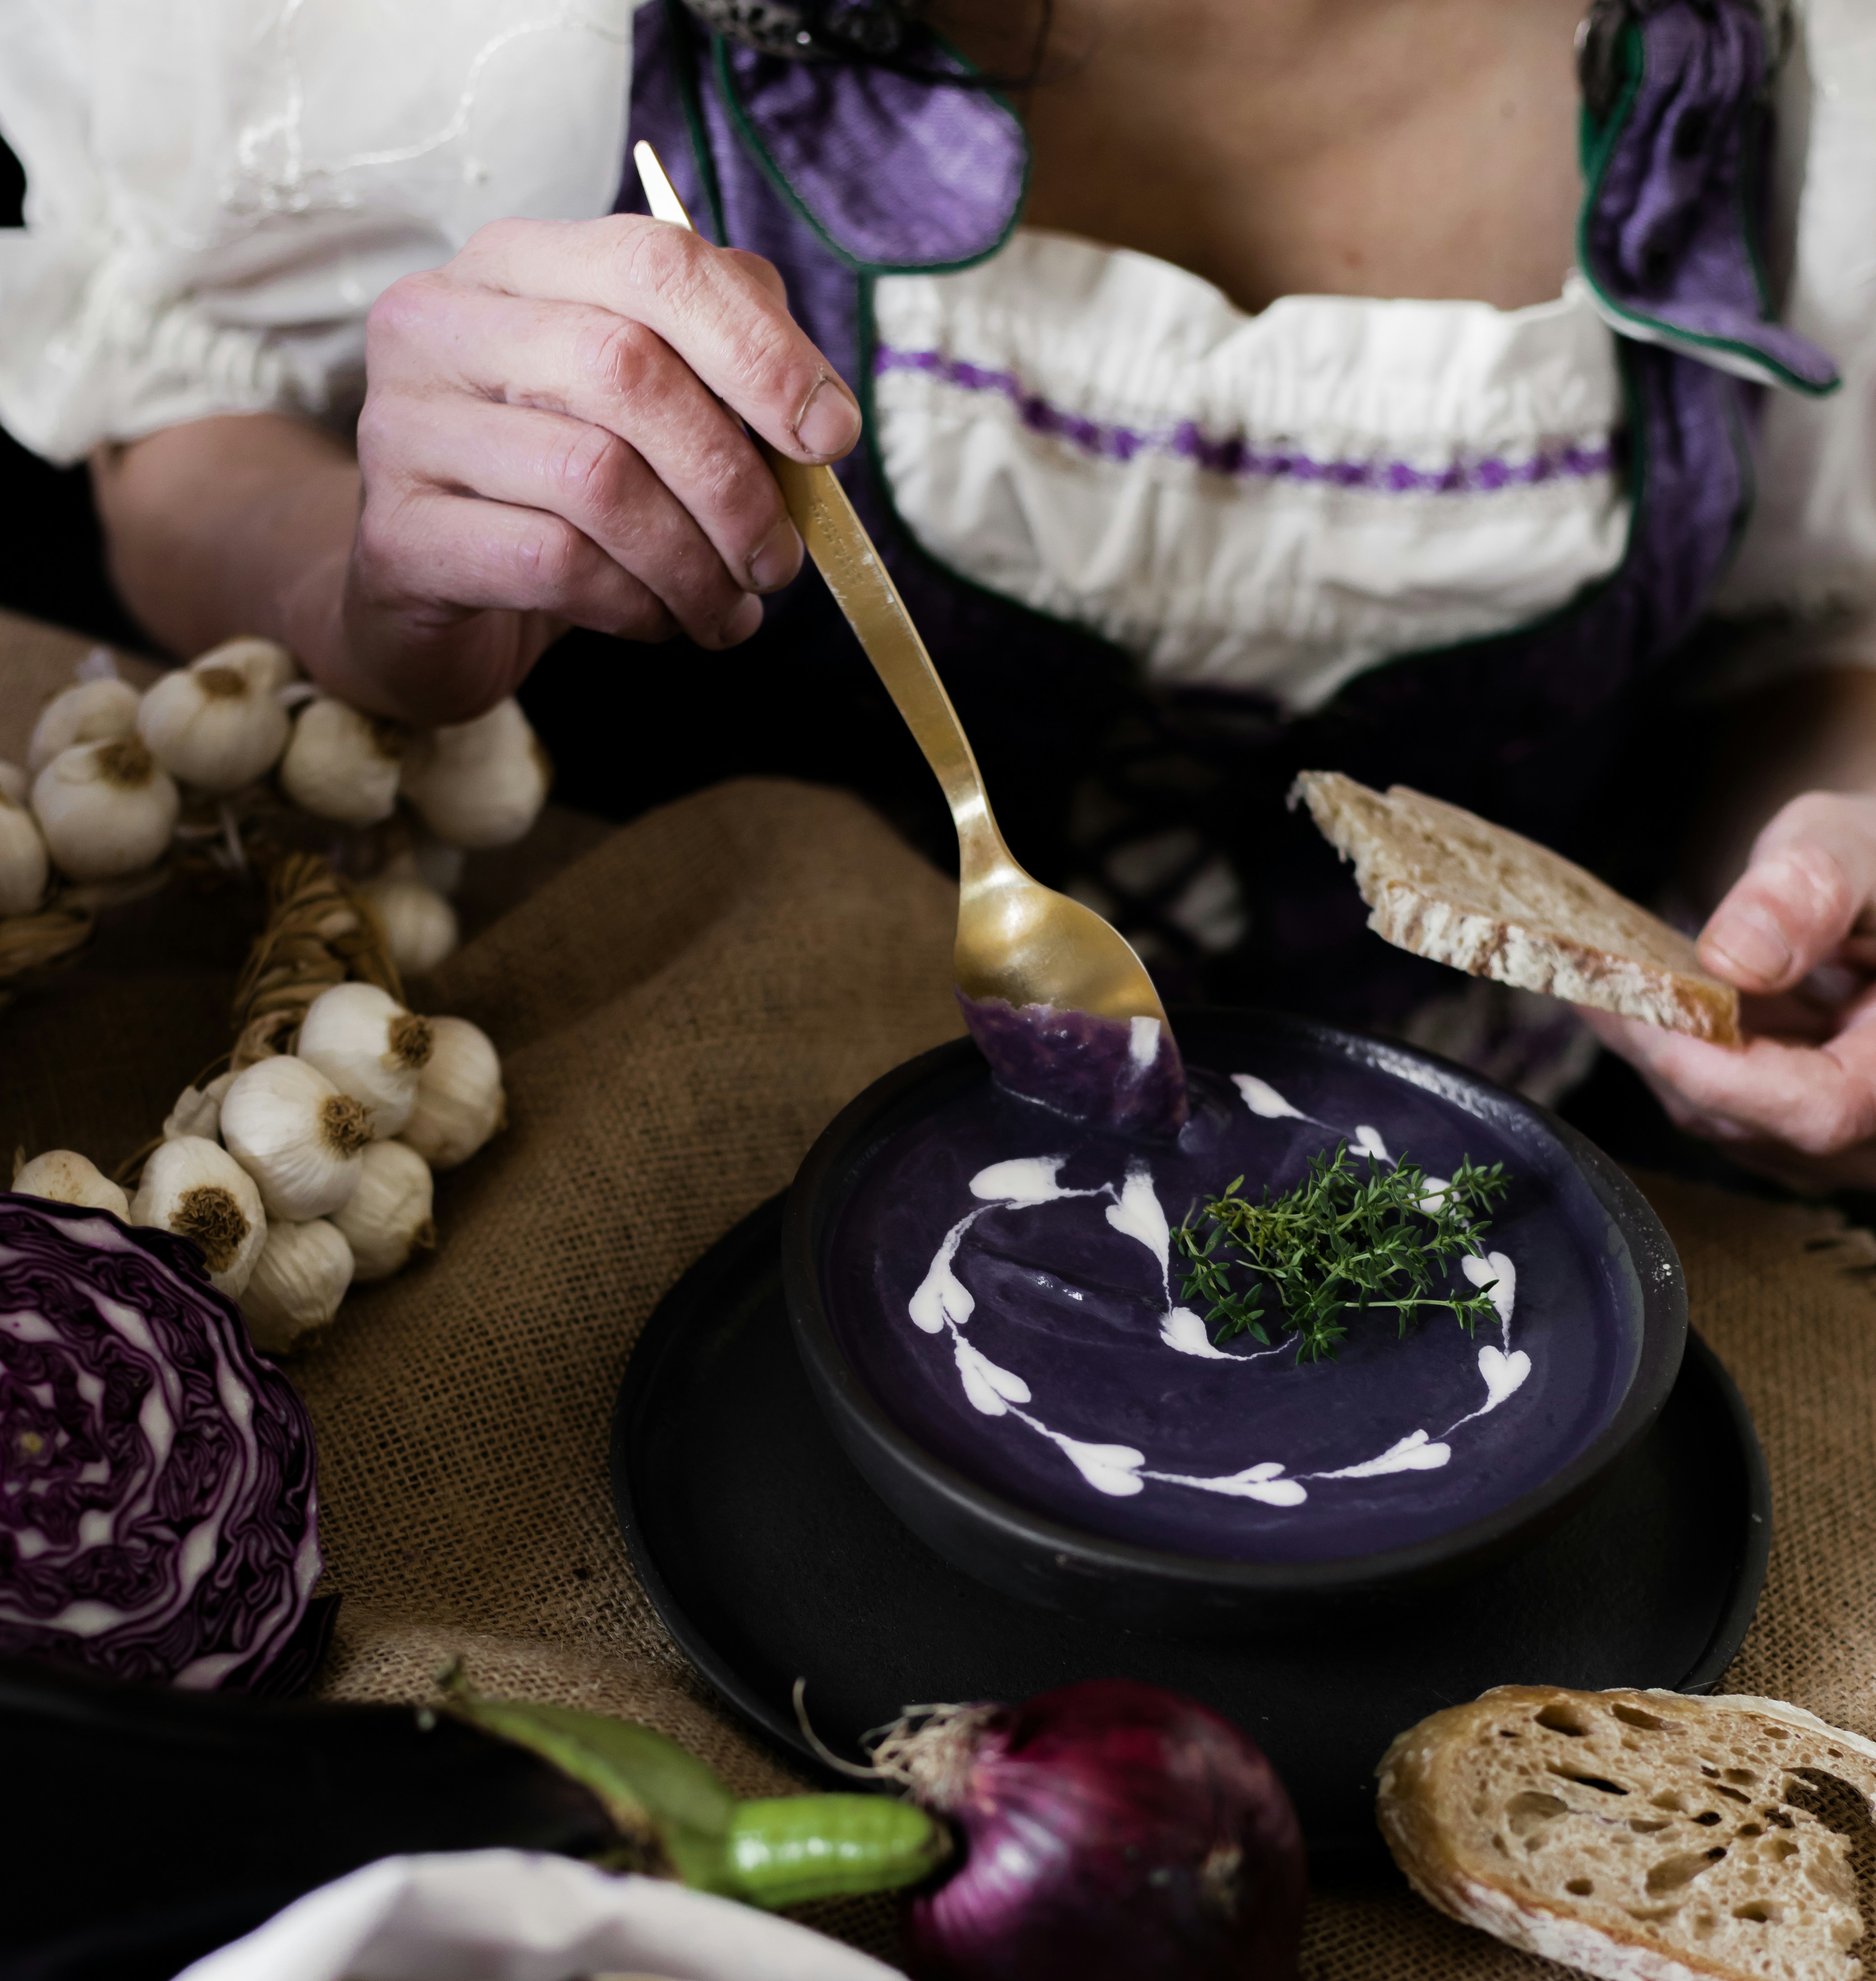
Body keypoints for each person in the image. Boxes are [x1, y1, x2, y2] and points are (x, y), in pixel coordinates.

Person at [0, 0, 1871, 1184]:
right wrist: (372, 589)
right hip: (645, 1145)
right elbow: (181, 421)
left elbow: (1797, 651)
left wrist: (1802, 881)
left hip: (1507, 1190)